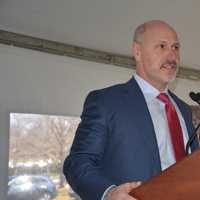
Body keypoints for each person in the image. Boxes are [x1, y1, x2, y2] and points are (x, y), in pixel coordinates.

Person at [63, 20, 199, 200]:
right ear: (137, 51)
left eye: (175, 47)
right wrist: (109, 193)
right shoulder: (106, 102)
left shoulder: (183, 109)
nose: (172, 55)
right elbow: (77, 163)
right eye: (162, 46)